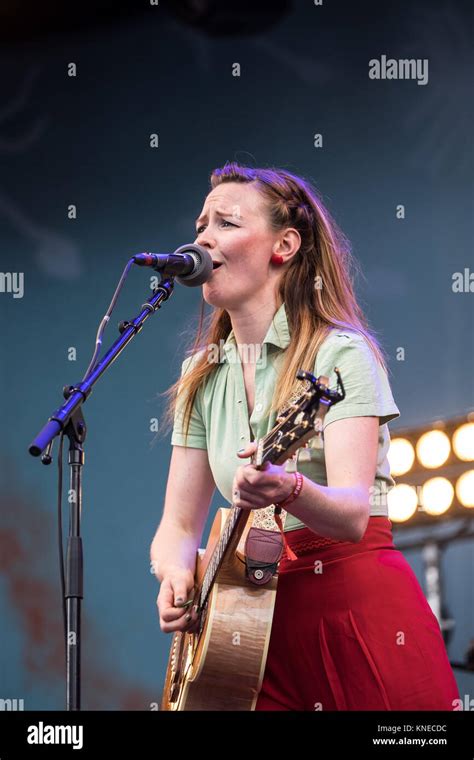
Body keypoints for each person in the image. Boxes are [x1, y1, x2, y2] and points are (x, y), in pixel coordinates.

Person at [150, 162, 459, 711]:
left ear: (284, 245)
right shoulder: (201, 374)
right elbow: (177, 524)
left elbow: (352, 515)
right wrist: (176, 572)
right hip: (249, 632)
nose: (201, 238)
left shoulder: (341, 354)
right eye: (200, 225)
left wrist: (288, 489)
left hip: (353, 610)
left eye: (225, 222)